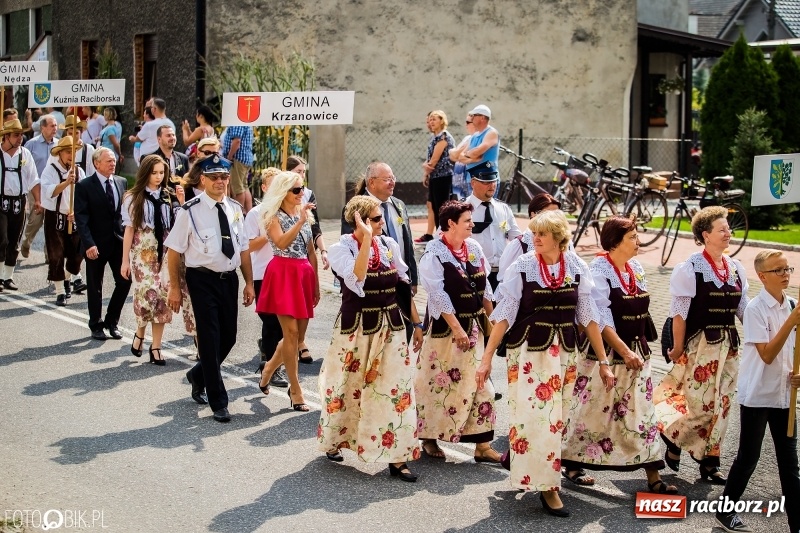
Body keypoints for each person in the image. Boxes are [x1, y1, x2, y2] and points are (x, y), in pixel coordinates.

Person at [477, 210, 608, 518]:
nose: (535, 238)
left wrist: (603, 360)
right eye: (534, 233)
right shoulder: (522, 267)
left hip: (565, 355)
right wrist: (485, 359)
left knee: (558, 420)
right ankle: (548, 487)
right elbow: (504, 314)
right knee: (539, 418)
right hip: (530, 356)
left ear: (559, 238)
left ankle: (533, 466)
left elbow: (588, 317)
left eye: (542, 234)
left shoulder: (577, 266)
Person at [561, 215, 676, 494]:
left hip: (638, 350)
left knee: (643, 411)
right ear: (614, 243)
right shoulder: (598, 270)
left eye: (637, 235)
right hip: (606, 354)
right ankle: (573, 463)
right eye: (632, 237)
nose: (638, 241)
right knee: (592, 410)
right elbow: (600, 318)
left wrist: (636, 349)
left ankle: (653, 476)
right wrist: (623, 351)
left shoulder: (635, 267)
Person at [319, 195, 424, 481]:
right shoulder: (342, 248)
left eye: (380, 218)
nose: (382, 223)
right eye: (376, 219)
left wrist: (417, 324)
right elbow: (358, 280)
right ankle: (336, 439)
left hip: (391, 328)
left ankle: (397, 457)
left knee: (396, 390)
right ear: (360, 221)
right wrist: (365, 240)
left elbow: (403, 287)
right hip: (356, 330)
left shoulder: (389, 245)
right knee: (347, 387)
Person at [654, 206, 749, 484]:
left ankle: (710, 461)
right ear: (706, 235)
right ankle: (673, 438)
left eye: (729, 229)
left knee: (724, 405)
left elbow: (743, 310)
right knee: (701, 407)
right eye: (722, 229)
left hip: (729, 347)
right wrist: (678, 347)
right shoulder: (690, 268)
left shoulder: (735, 267)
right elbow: (679, 314)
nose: (728, 233)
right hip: (701, 348)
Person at [165, 155, 255, 423]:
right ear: (202, 180)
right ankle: (218, 400)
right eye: (214, 177)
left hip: (229, 278)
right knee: (209, 337)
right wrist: (174, 289)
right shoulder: (189, 210)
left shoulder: (236, 209)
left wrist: (249, 282)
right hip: (201, 279)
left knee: (229, 337)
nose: (220, 181)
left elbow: (243, 249)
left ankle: (198, 374)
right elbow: (173, 252)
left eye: (224, 177)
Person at [716, 250, 800, 533]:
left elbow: (795, 351)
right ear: (762, 276)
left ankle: (796, 523)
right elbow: (767, 354)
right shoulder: (755, 310)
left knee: (790, 463)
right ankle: (725, 510)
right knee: (749, 457)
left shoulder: (791, 304)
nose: (786, 274)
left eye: (787, 268)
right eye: (778, 270)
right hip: (758, 396)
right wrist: (791, 321)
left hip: (784, 396)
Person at [414, 200, 502, 463]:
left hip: (474, 328)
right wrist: (457, 329)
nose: (472, 225)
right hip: (445, 333)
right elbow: (437, 295)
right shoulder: (434, 253)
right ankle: (428, 437)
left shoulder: (473, 248)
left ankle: (483, 445)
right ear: (451, 223)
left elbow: (485, 288)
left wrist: (493, 319)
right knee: (438, 385)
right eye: (467, 221)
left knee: (480, 384)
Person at [256, 171, 320, 412]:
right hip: (282, 273)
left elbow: (311, 250)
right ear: (283, 192)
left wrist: (315, 283)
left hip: (302, 273)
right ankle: (296, 389)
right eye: (296, 190)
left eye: (302, 189)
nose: (301, 193)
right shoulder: (273, 216)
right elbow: (281, 243)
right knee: (290, 333)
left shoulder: (304, 213)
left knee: (298, 337)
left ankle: (269, 368)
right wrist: (301, 221)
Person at [341, 162, 418, 343]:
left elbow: (407, 245)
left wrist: (413, 279)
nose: (392, 183)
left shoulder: (399, 205)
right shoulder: (356, 207)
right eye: (386, 179)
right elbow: (351, 246)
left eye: (393, 178)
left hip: (397, 279)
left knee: (403, 329)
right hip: (372, 286)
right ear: (372, 182)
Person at [121, 155, 179, 366]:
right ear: (146, 173)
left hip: (163, 250)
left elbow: (175, 226)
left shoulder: (169, 196)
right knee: (147, 295)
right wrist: (125, 261)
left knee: (162, 297)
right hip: (142, 251)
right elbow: (129, 230)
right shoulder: (133, 197)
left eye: (161, 173)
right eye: (154, 173)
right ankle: (139, 333)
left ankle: (156, 347)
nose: (158, 177)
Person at [74, 147, 131, 340]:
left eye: (114, 160)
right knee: (95, 286)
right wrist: (88, 244)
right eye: (108, 160)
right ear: (96, 163)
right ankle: (96, 325)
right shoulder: (84, 186)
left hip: (117, 242)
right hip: (95, 244)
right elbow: (81, 219)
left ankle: (111, 322)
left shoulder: (122, 182)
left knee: (125, 281)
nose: (113, 163)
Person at [246, 167, 288, 387]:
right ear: (263, 188)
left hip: (285, 273)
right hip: (264, 274)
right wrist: (269, 233)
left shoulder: (287, 211)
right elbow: (248, 246)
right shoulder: (256, 213)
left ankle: (271, 362)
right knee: (271, 320)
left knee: (282, 323)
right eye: (272, 185)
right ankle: (269, 359)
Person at [40, 136, 86, 306]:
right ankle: (60, 292)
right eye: (68, 152)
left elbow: (84, 194)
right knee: (56, 254)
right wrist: (67, 182)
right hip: (55, 216)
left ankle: (68, 278)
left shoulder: (79, 171)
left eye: (74, 152)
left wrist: (79, 211)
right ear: (60, 153)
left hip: (74, 217)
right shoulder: (50, 170)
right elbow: (49, 192)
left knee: (77, 254)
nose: (71, 156)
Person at [0, 118, 41, 291]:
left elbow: (33, 179)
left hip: (19, 201)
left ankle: (7, 277)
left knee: (15, 240)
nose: (20, 139)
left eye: (21, 135)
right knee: (1, 239)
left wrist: (38, 200)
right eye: (16, 135)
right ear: (6, 137)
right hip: (0, 200)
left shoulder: (25, 154)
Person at [497, 193, 562, 283]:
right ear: (533, 215)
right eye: (548, 214)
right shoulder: (519, 245)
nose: (554, 219)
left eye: (557, 215)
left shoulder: (565, 242)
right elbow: (505, 280)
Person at [20, 114, 58, 260]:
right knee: (36, 220)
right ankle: (26, 242)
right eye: (51, 126)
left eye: (55, 125)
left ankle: (49, 253)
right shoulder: (31, 144)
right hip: (36, 187)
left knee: (51, 221)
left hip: (53, 189)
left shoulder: (59, 144)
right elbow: (23, 166)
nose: (55, 128)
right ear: (42, 127)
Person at [422, 110, 455, 233]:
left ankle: (445, 233)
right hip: (435, 177)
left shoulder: (443, 136)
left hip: (443, 177)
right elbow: (429, 160)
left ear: (442, 120)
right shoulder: (434, 137)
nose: (431, 122)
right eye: (430, 119)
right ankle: (439, 233)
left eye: (434, 119)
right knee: (435, 207)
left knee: (442, 207)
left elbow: (434, 160)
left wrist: (426, 168)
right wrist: (426, 168)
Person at [461, 105, 500, 196]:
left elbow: (478, 151)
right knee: (472, 209)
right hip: (472, 179)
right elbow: (460, 157)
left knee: (486, 209)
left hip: (487, 181)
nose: (471, 118)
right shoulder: (474, 135)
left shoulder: (492, 133)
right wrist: (472, 158)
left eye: (474, 115)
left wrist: (468, 154)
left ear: (482, 118)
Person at [129, 98, 175, 164]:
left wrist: (131, 138)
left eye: (151, 107)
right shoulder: (171, 124)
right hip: (165, 158)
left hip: (149, 160)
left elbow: (137, 139)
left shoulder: (149, 125)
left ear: (154, 109)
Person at [221, 125, 254, 213]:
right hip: (244, 158)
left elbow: (237, 141)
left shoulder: (237, 121)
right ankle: (248, 213)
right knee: (244, 186)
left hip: (237, 158)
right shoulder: (244, 122)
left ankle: (238, 214)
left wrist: (229, 157)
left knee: (237, 188)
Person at [447, 114, 476, 201]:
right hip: (459, 182)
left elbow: (457, 155)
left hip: (469, 180)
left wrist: (456, 153)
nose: (465, 125)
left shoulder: (476, 139)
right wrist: (457, 153)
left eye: (468, 122)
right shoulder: (467, 138)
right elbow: (453, 156)